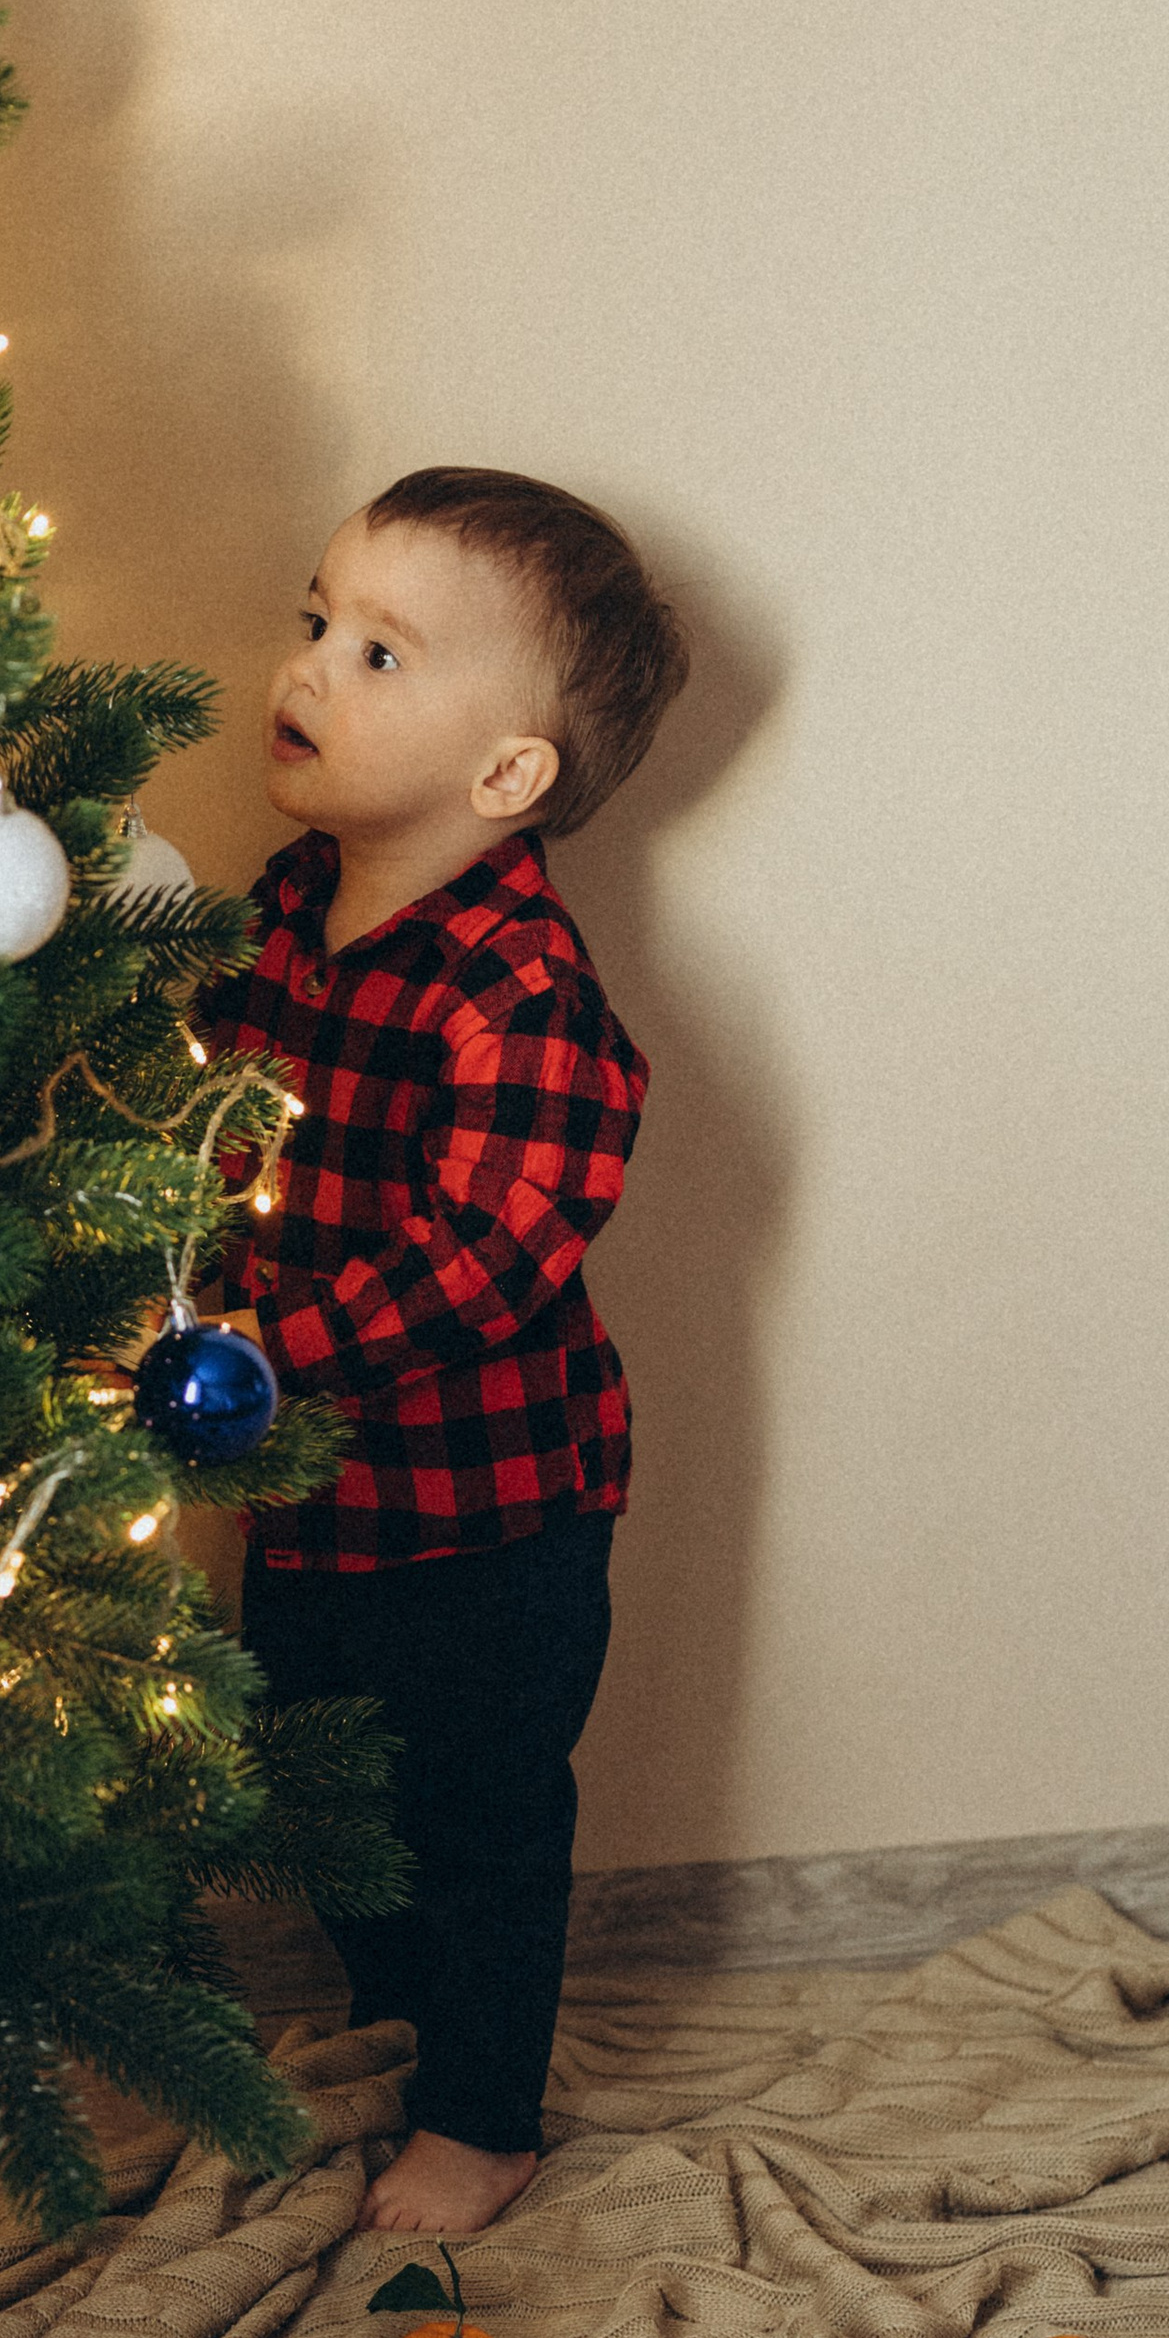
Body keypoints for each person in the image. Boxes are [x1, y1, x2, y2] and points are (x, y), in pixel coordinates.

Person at [202, 467, 687, 2235]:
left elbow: (485, 1260)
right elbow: (209, 1119)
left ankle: (485, 2118)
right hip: (312, 1502)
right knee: (327, 1790)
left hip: (490, 1523)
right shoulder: (286, 907)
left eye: (382, 653)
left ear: (506, 776)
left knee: (480, 1822)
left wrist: (264, 1354)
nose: (313, 667)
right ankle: (405, 2021)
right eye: (318, 619)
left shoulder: (522, 991)